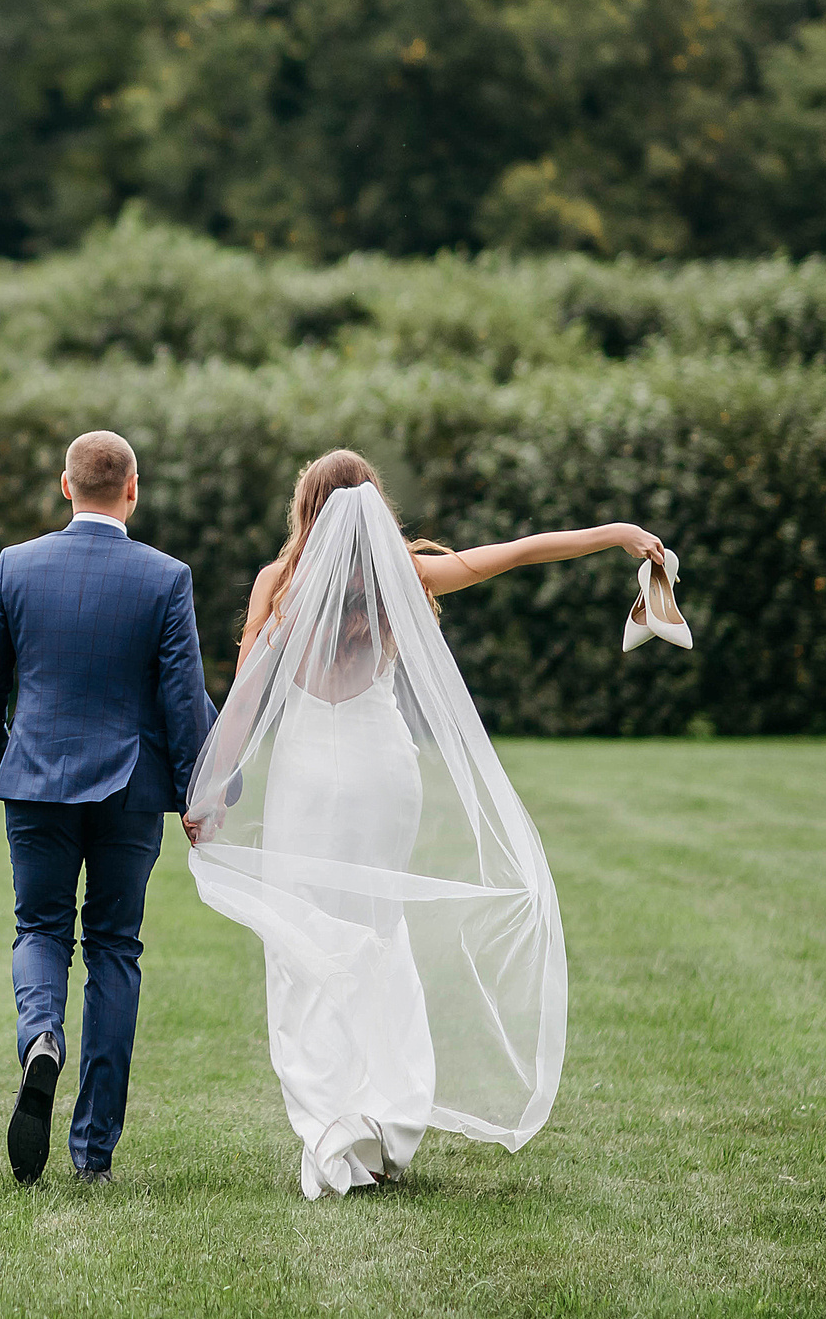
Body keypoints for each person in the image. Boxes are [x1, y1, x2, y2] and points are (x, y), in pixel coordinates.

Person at [184, 448, 666, 1198]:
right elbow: (518, 553)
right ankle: (385, 1119)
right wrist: (616, 532)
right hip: (384, 772)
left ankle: (331, 1122)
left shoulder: (279, 584)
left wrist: (211, 792)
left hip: (308, 776)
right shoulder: (401, 572)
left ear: (304, 508)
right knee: (378, 927)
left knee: (306, 936)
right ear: (376, 507)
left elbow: (244, 699)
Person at [0, 430, 217, 1185]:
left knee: (41, 926)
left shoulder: (18, 564)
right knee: (113, 949)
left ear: (65, 486)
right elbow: (182, 698)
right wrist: (199, 788)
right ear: (133, 488)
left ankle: (40, 1035)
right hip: (129, 792)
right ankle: (92, 1152)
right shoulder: (166, 578)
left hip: (35, 777)